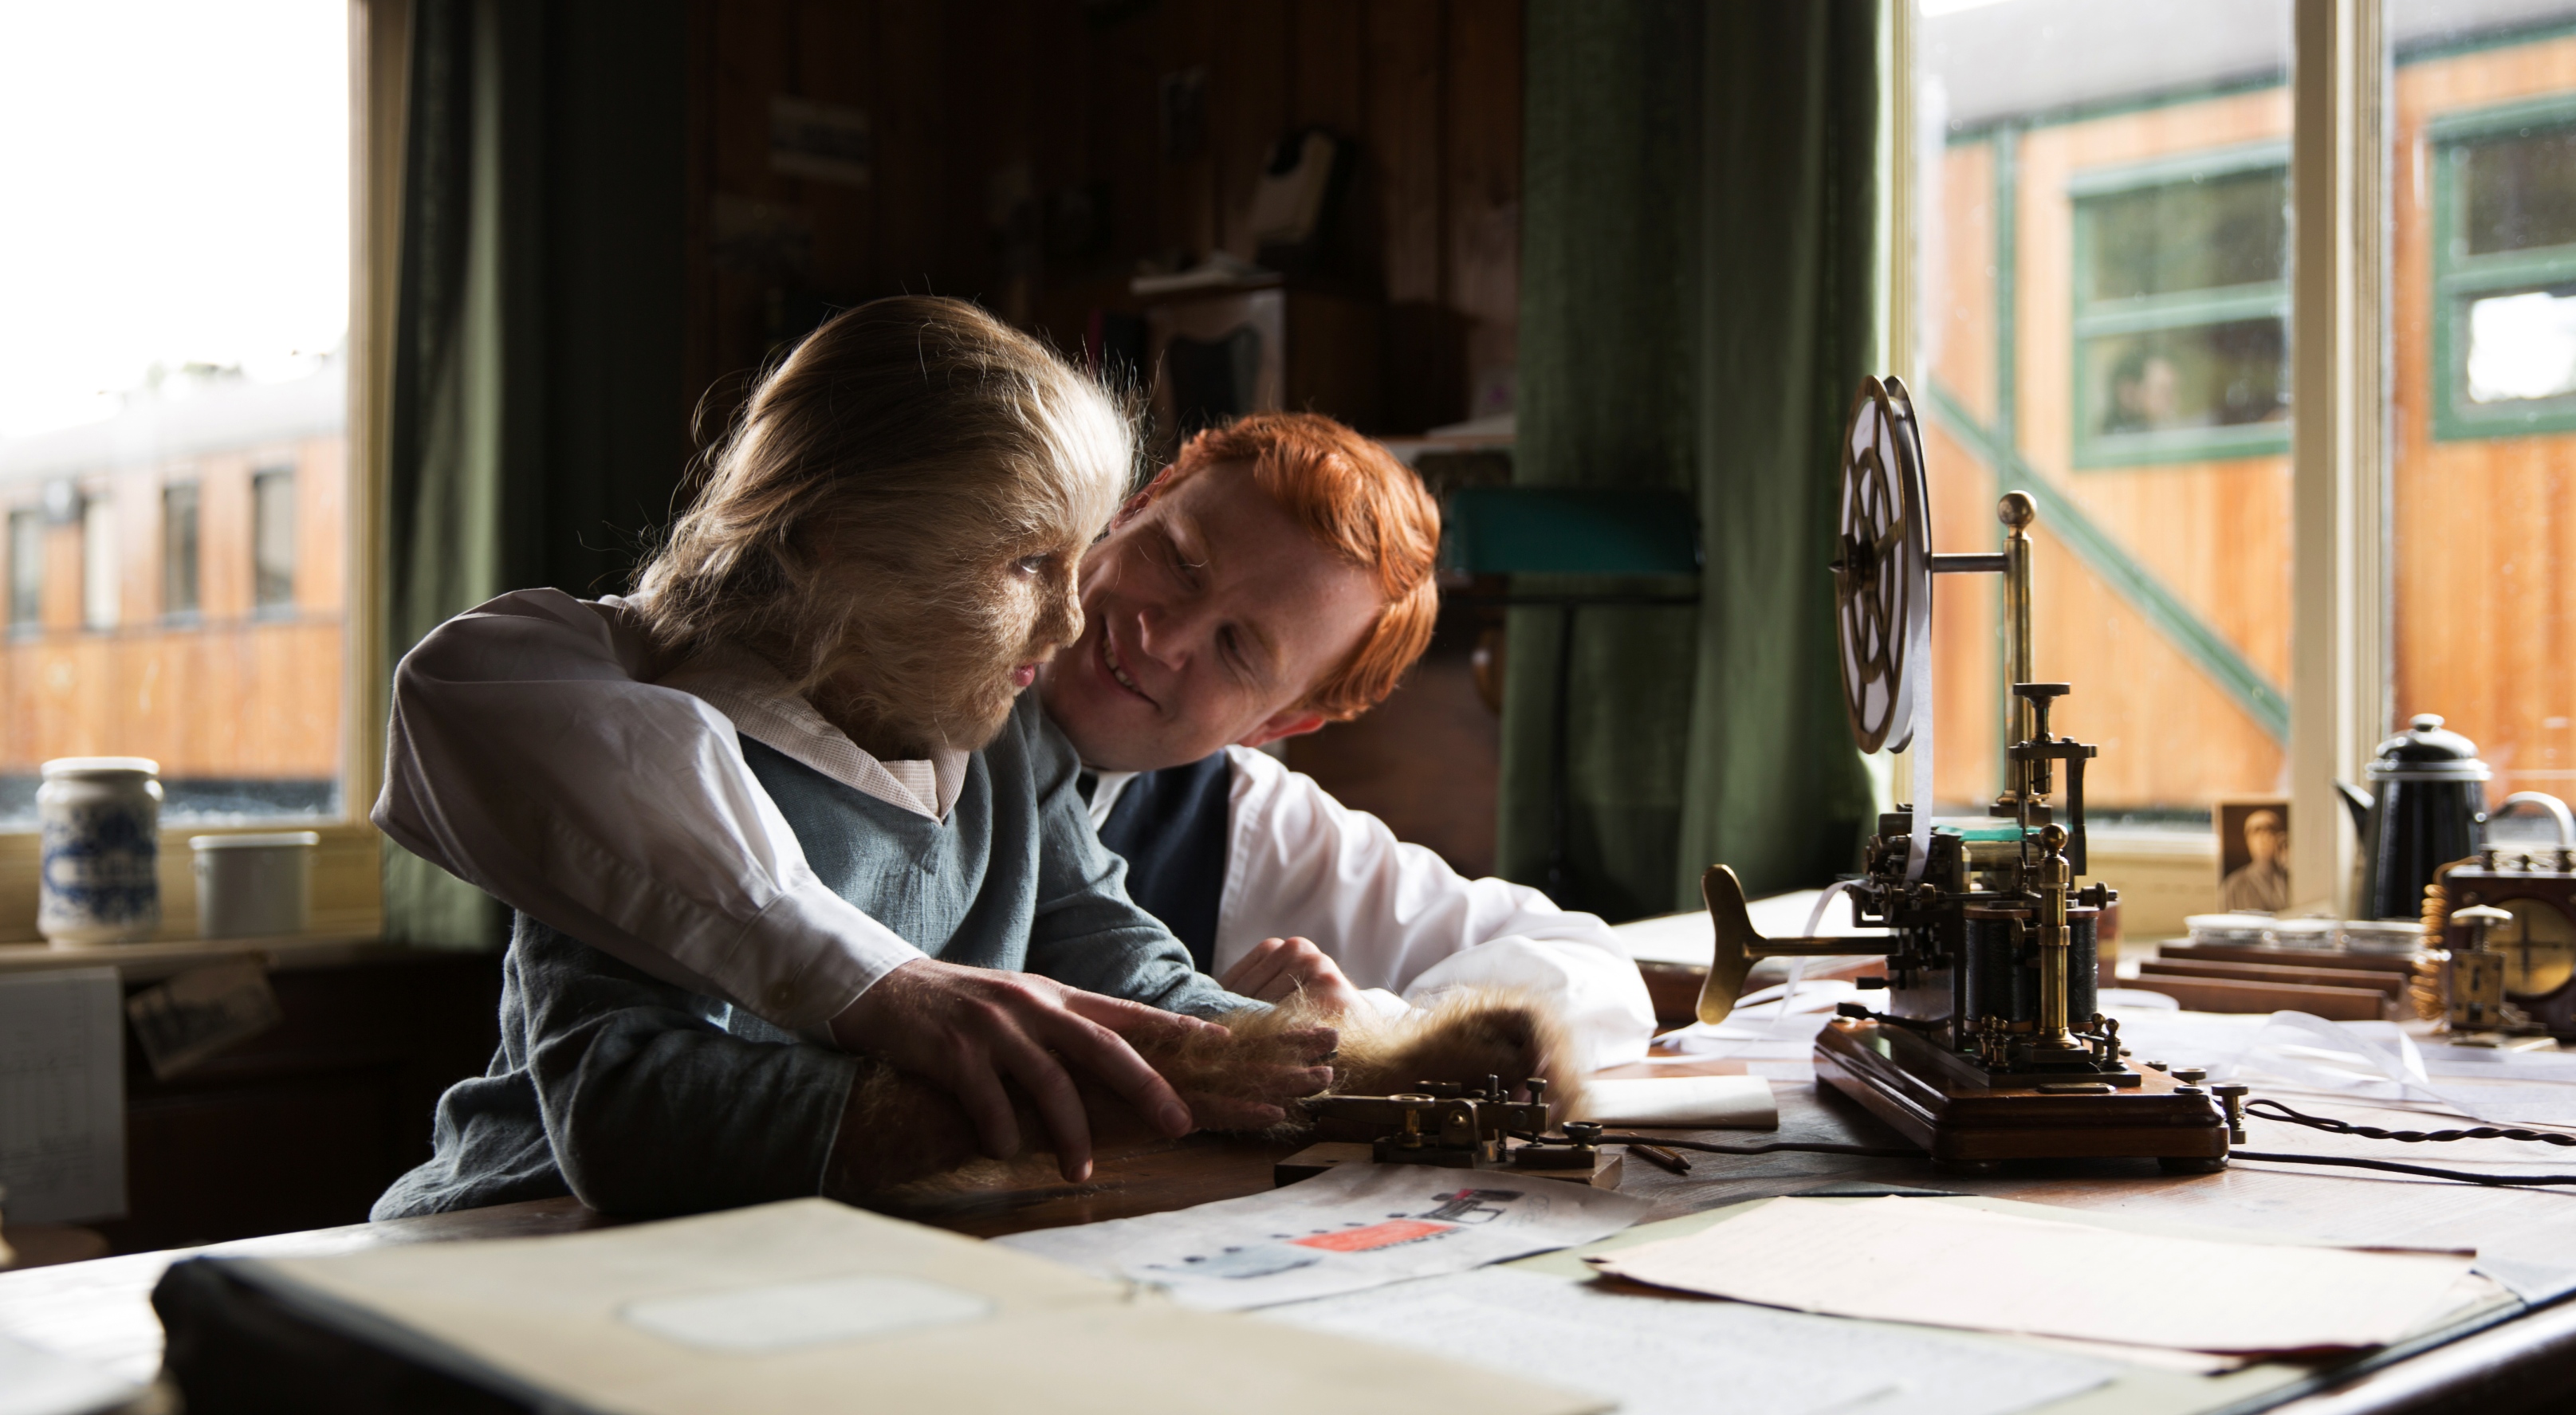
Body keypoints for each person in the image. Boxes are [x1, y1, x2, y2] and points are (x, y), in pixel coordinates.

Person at [374, 300, 1344, 1220]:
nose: (1069, 617)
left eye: (1074, 558)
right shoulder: (643, 746)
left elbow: (1124, 965)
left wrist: (1336, 1058)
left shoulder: (1010, 739)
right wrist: (1039, 1101)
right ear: (847, 542)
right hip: (522, 1241)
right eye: (1023, 565)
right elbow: (627, 1111)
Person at [378, 414, 1658, 1091]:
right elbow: (481, 685)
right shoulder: (830, 656)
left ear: (1287, 726)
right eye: (1175, 557)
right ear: (1133, 504)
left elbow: (1589, 972)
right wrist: (871, 982)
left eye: (1240, 651)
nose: (1156, 633)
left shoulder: (1253, 821)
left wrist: (1353, 1032)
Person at [2218, 806, 2290, 914]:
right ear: (2248, 840)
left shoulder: (2289, 881)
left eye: (2270, 831)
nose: (2263, 838)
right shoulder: (2232, 887)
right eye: (2256, 832)